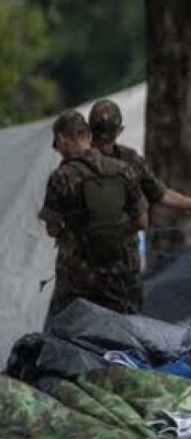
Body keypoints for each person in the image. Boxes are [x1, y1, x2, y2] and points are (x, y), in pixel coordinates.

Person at [39, 110, 149, 317]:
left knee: (74, 337)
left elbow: (52, 229)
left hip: (79, 281)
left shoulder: (61, 177)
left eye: (57, 143)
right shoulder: (124, 170)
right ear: (88, 136)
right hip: (122, 278)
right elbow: (142, 221)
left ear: (62, 139)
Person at [88, 99, 191, 230]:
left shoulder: (129, 159)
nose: (103, 143)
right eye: (100, 136)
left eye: (107, 137)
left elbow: (162, 194)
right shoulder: (78, 163)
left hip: (120, 252)